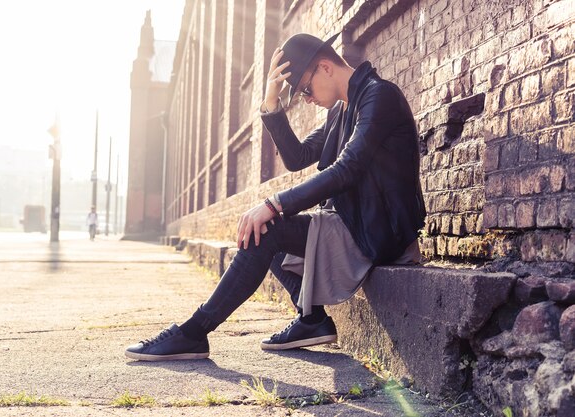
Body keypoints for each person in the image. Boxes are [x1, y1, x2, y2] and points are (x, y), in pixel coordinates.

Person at [125, 32, 426, 361]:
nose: (307, 99)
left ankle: (195, 332)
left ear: (325, 68)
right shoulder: (342, 111)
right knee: (261, 227)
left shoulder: (379, 96)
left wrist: (273, 204)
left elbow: (346, 170)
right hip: (356, 224)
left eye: (306, 90)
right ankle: (310, 319)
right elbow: (298, 157)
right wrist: (272, 104)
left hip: (382, 234)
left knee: (266, 225)